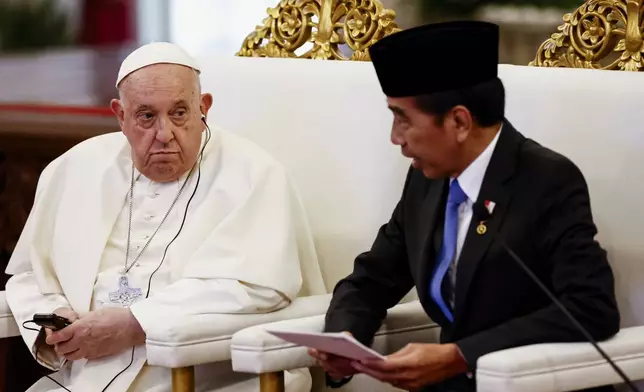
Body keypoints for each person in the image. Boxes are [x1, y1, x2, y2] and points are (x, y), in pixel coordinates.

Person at [309, 21, 620, 392]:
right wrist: (346, 337)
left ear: (459, 121)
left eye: (402, 119)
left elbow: (591, 309)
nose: (395, 138)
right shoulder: (427, 180)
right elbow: (373, 279)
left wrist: (461, 355)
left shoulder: (547, 180)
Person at [6, 42, 324, 392]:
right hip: (82, 377)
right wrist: (53, 319)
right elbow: (30, 273)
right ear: (120, 117)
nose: (164, 134)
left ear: (203, 108)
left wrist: (136, 323)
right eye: (146, 116)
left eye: (179, 113)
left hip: (212, 377)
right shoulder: (74, 169)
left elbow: (260, 288)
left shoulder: (255, 174)